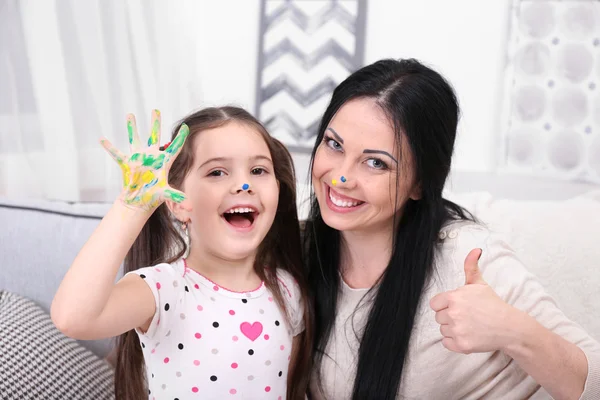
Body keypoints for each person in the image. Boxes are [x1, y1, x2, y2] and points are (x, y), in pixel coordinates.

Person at [304, 59, 600, 399]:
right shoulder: (303, 249)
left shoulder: (468, 259)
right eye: (334, 144)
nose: (340, 177)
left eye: (376, 163)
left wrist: (511, 330)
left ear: (420, 184)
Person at [51, 107, 311, 400]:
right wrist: (132, 206)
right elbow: (72, 318)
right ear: (176, 202)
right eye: (217, 172)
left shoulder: (288, 291)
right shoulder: (164, 288)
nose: (244, 185)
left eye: (258, 170)